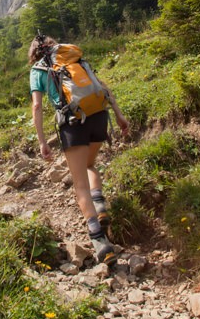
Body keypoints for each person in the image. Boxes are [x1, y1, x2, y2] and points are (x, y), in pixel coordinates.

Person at [28, 35, 130, 264]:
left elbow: (37, 106)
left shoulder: (38, 68)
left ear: (34, 52)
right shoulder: (73, 56)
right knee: (90, 164)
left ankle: (100, 242)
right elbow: (101, 86)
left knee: (80, 184)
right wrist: (120, 115)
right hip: (99, 115)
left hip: (73, 122)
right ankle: (100, 206)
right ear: (54, 45)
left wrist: (43, 141)